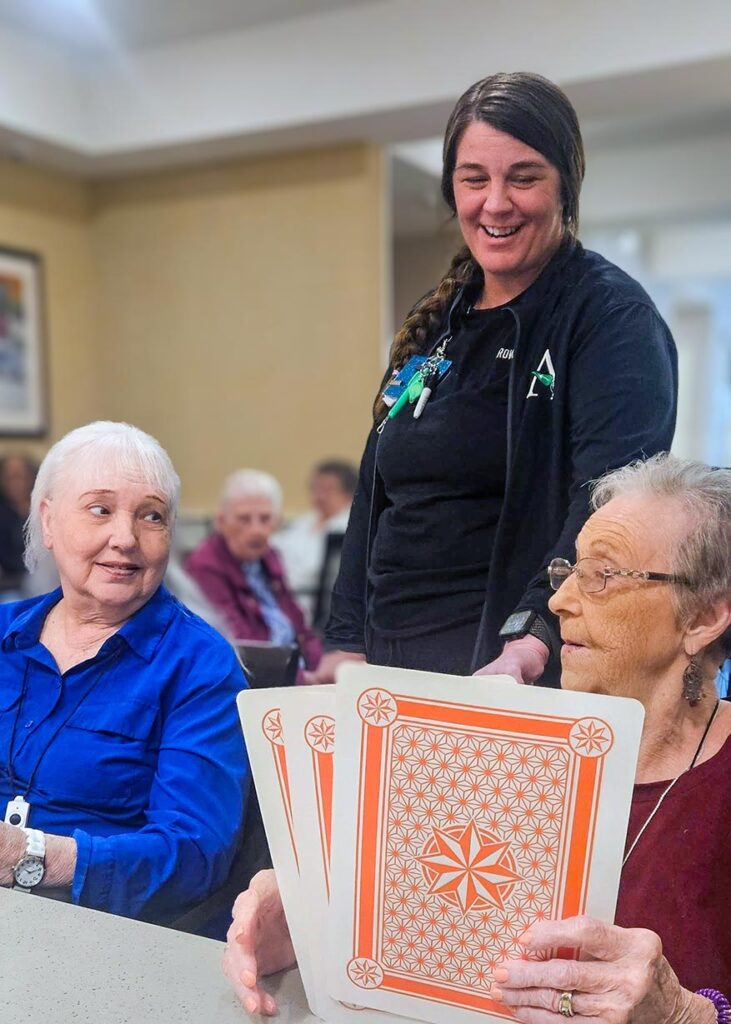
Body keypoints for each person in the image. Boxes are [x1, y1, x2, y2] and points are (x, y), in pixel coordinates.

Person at [223, 453, 731, 1021]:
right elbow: (414, 920)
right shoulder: (483, 746)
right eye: (568, 572)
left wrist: (685, 1015)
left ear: (703, 618)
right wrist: (309, 917)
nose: (558, 602)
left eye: (604, 576)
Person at [319, 72, 677, 687]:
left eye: (524, 177)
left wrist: (533, 640)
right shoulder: (438, 325)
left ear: (566, 184)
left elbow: (608, 505)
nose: (496, 202)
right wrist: (344, 640)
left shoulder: (610, 318)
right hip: (387, 664)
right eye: (474, 179)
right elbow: (374, 497)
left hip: (512, 671)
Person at [0, 422, 249, 924]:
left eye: (151, 516)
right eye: (100, 509)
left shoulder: (201, 667)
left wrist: (30, 857)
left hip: (101, 931)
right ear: (48, 522)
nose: (125, 538)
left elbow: (193, 855)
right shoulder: (5, 628)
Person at [185, 470, 321, 672]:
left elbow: (299, 623)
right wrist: (300, 677)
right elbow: (242, 646)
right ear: (221, 521)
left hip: (296, 671)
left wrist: (318, 667)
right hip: (257, 680)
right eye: (244, 519)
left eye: (265, 519)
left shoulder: (269, 557)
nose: (257, 530)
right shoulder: (206, 565)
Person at [275, 460, 357, 625]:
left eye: (327, 490)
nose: (319, 496)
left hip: (318, 607)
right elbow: (275, 551)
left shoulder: (351, 526)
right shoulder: (304, 521)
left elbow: (315, 570)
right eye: (316, 488)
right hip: (282, 596)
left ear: (348, 493)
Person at [0, 453, 36, 596]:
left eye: (20, 476)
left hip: (44, 581)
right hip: (9, 585)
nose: (15, 482)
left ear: (31, 478)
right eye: (9, 477)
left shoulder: (43, 510)